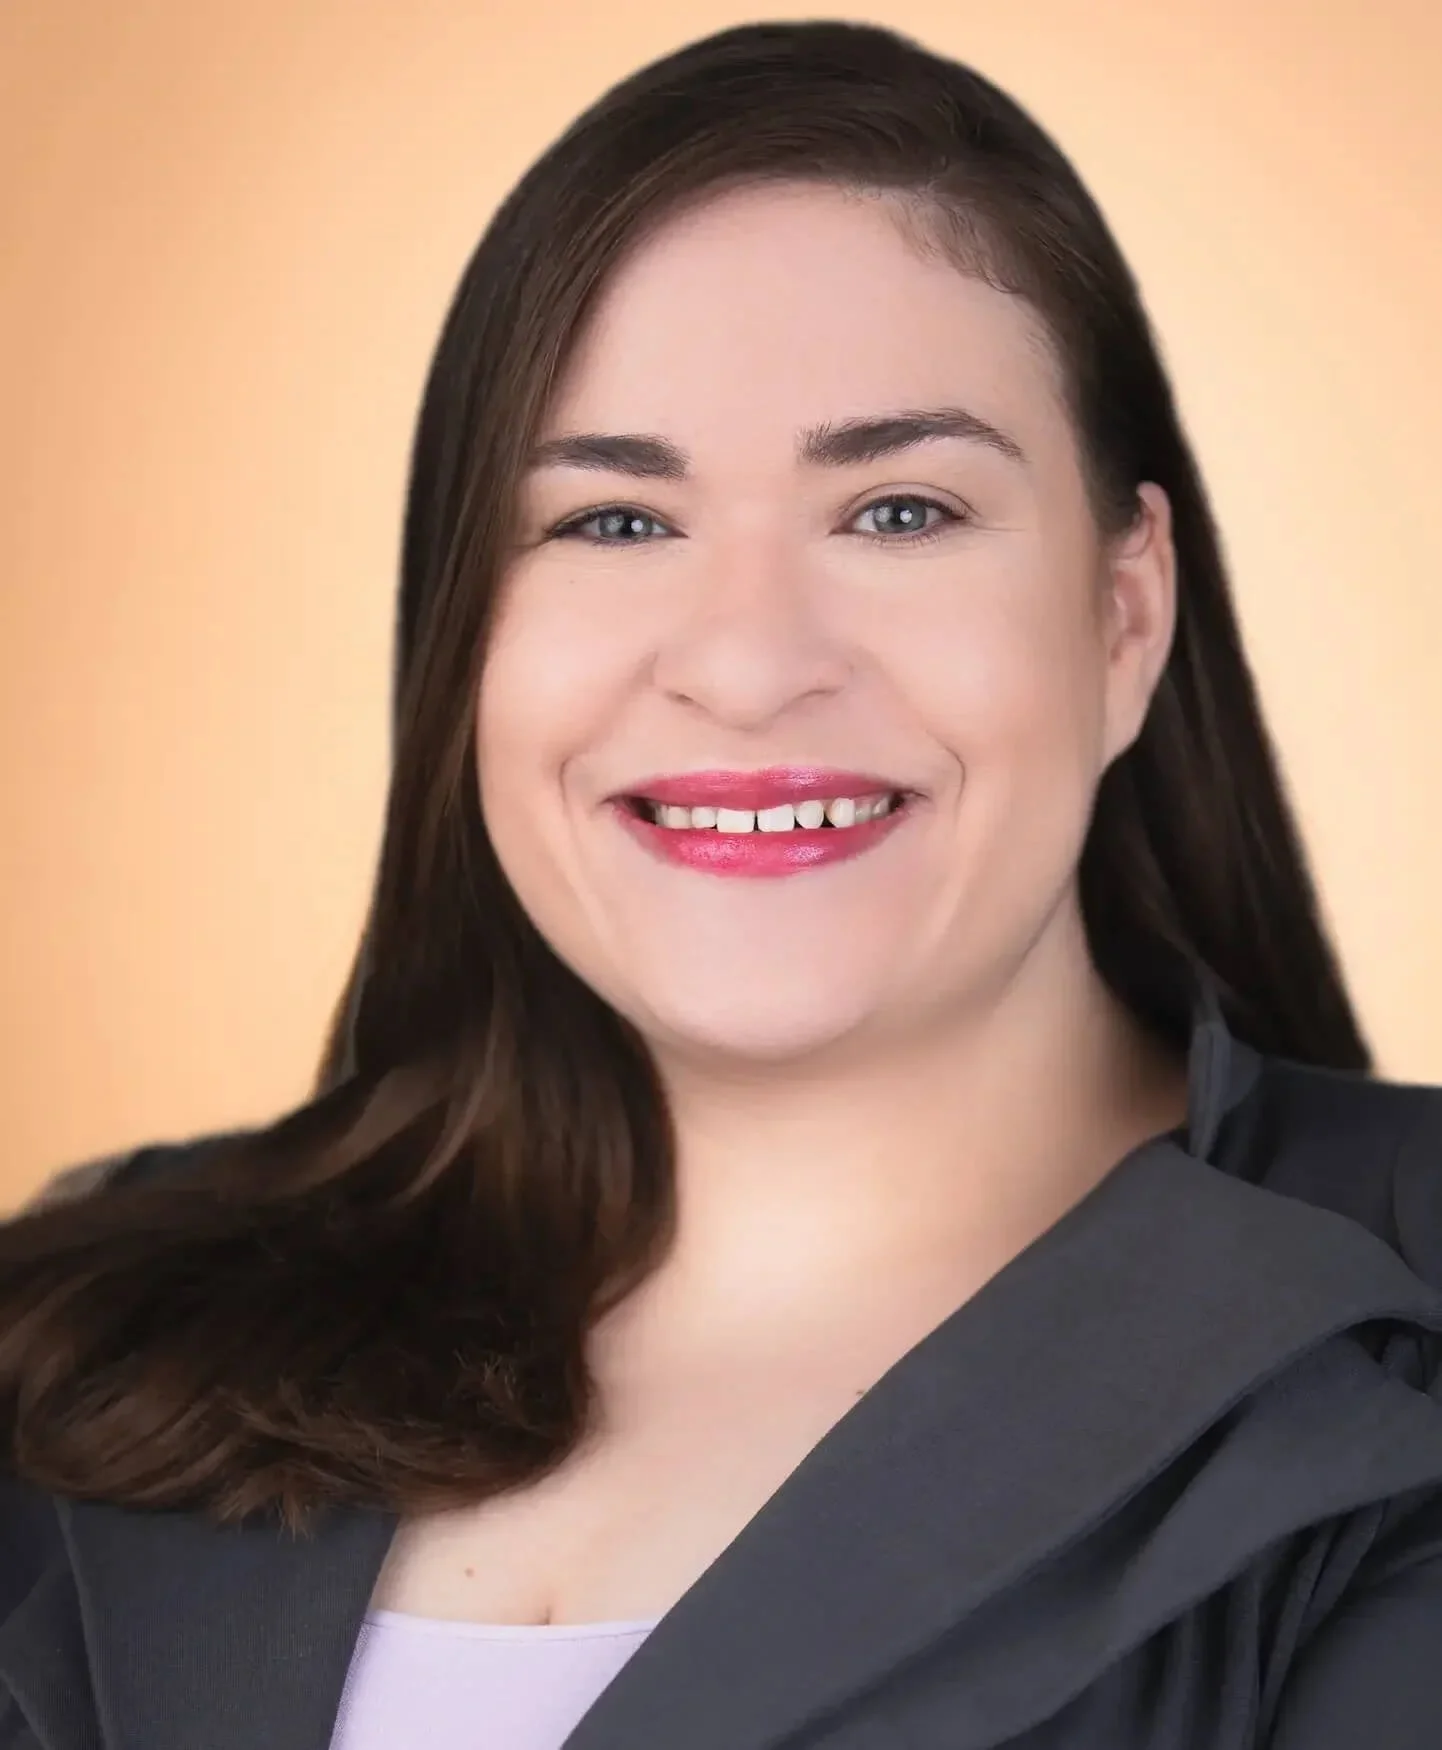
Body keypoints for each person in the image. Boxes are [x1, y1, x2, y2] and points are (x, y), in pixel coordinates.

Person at [3, 18, 1441, 1750]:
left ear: (1123, 614)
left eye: (898, 511)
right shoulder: (84, 1343)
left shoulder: (1397, 1353)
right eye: (613, 522)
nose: (748, 665)